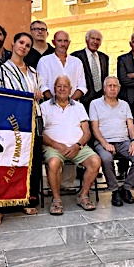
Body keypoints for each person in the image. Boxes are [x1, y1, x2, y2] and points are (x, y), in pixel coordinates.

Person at [0, 32, 44, 226]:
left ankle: (27, 200)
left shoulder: (34, 72)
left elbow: (40, 95)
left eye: (28, 45)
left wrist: (38, 95)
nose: (24, 47)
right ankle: (0, 208)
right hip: (10, 125)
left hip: (33, 122)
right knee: (6, 164)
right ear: (13, 43)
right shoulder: (0, 71)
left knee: (31, 164)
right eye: (21, 43)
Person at [40, 75, 101, 215]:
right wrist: (58, 145)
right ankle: (56, 199)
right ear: (54, 88)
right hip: (53, 147)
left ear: (70, 89)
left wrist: (77, 145)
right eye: (59, 86)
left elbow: (87, 132)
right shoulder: (44, 107)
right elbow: (41, 133)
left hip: (77, 147)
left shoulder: (79, 106)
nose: (62, 89)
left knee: (95, 160)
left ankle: (83, 195)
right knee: (54, 163)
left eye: (65, 86)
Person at [90, 76, 134, 207]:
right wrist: (105, 144)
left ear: (119, 89)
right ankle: (114, 190)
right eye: (110, 86)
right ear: (104, 89)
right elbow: (94, 127)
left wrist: (133, 141)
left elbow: (131, 125)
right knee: (106, 158)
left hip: (123, 141)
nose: (113, 88)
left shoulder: (124, 104)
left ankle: (126, 188)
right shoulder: (95, 104)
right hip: (103, 142)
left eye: (115, 86)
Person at [37, 30, 87, 100]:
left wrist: (69, 103)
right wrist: (55, 103)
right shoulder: (44, 61)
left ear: (69, 43)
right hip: (49, 106)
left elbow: (82, 86)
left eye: (65, 41)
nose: (63, 44)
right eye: (59, 41)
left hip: (73, 106)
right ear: (53, 42)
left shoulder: (77, 62)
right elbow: (42, 86)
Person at [72, 29, 109, 112]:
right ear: (86, 40)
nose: (95, 42)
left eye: (98, 39)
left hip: (101, 101)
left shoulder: (104, 58)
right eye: (93, 38)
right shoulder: (76, 57)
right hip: (83, 100)